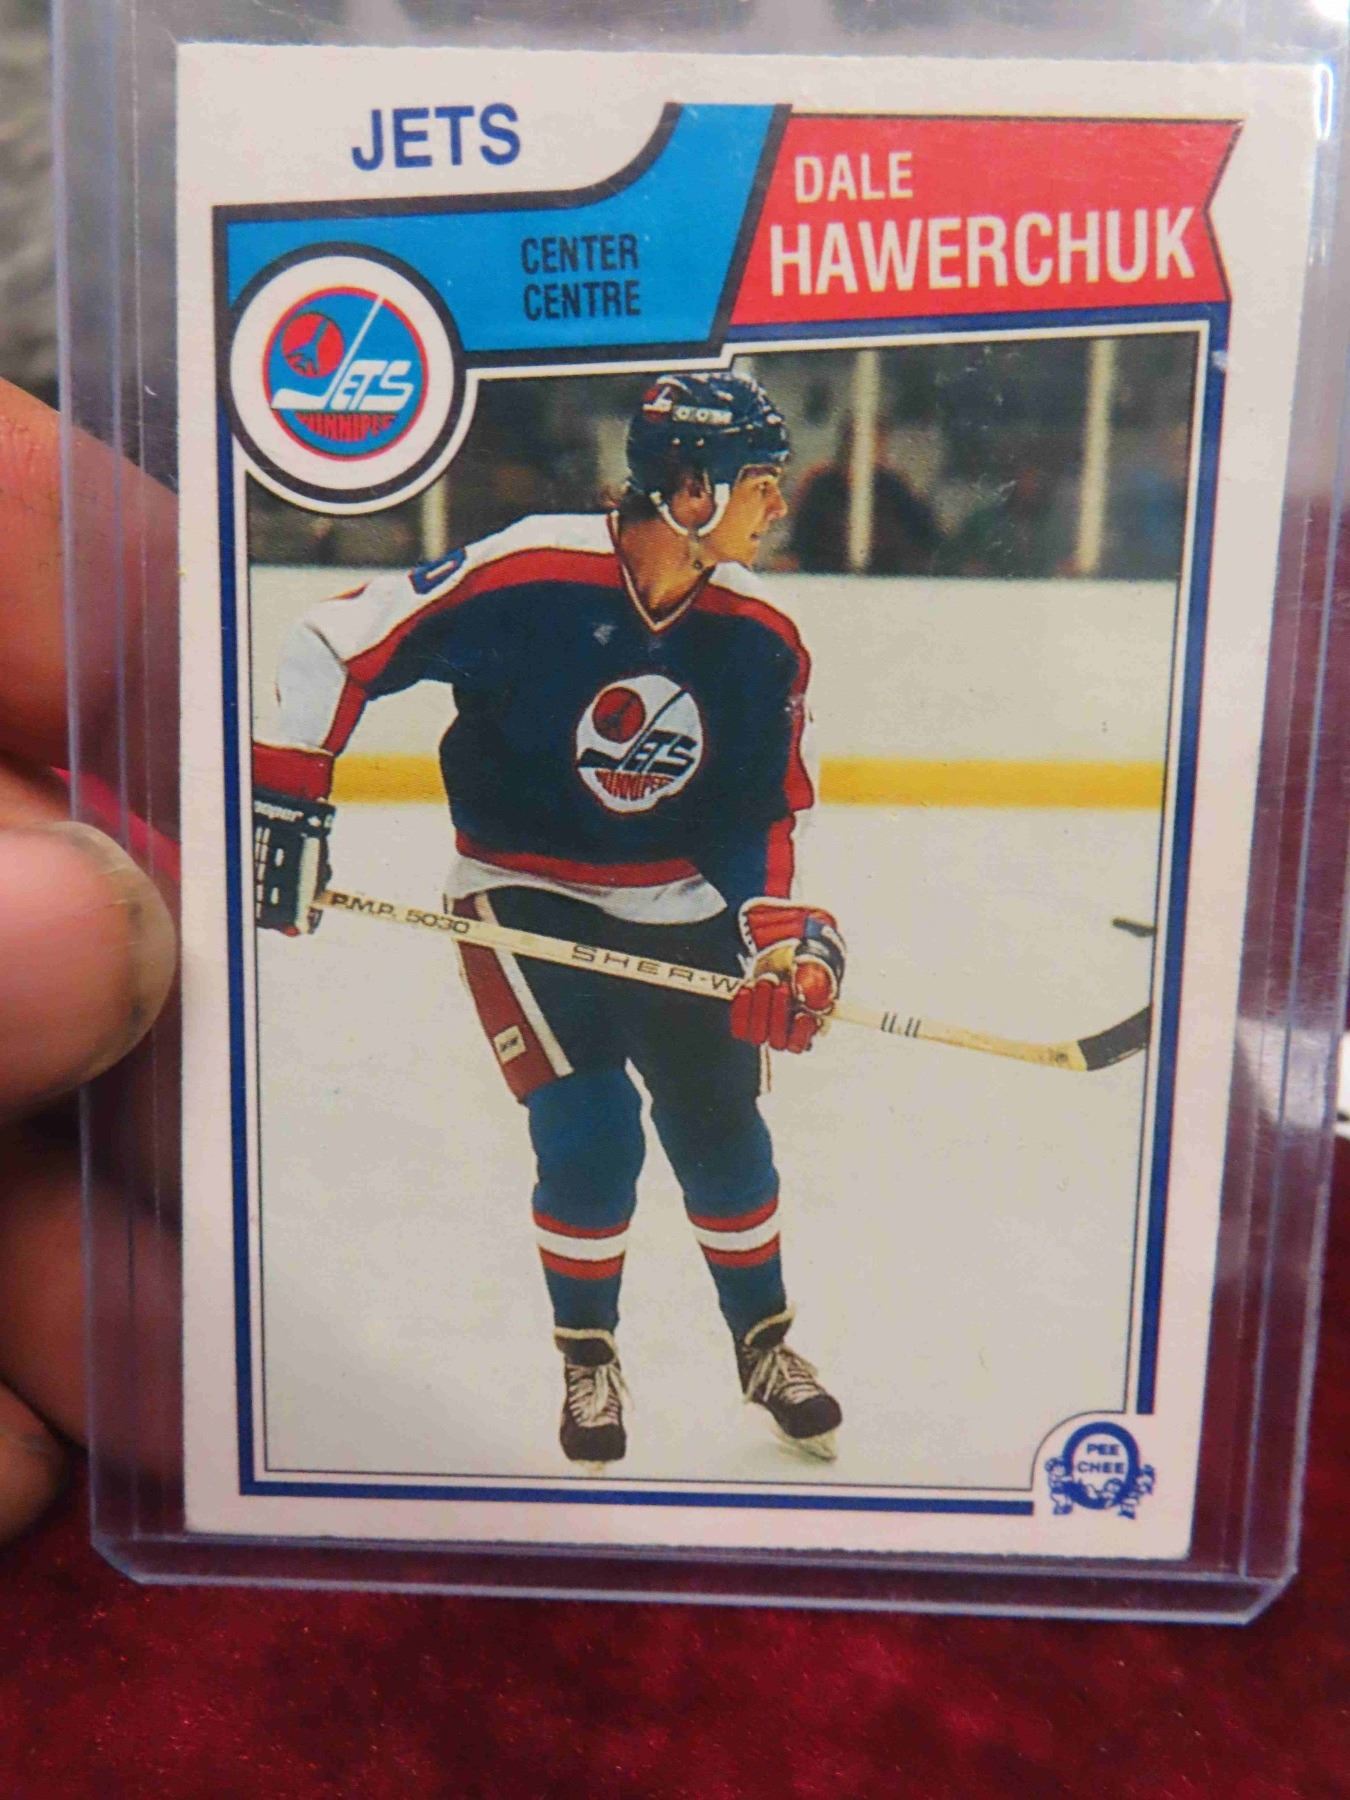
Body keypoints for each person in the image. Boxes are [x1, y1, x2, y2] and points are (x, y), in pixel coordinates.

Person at [252, 371, 846, 1468]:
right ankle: (588, 1357)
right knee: (590, 1132)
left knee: (722, 1131)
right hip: (521, 895)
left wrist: (782, 941)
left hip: (677, 902)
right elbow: (330, 643)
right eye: (763, 481)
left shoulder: (763, 634)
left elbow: (758, 814)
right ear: (691, 487)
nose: (779, 504)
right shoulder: (530, 572)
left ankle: (764, 1348)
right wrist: (288, 810)